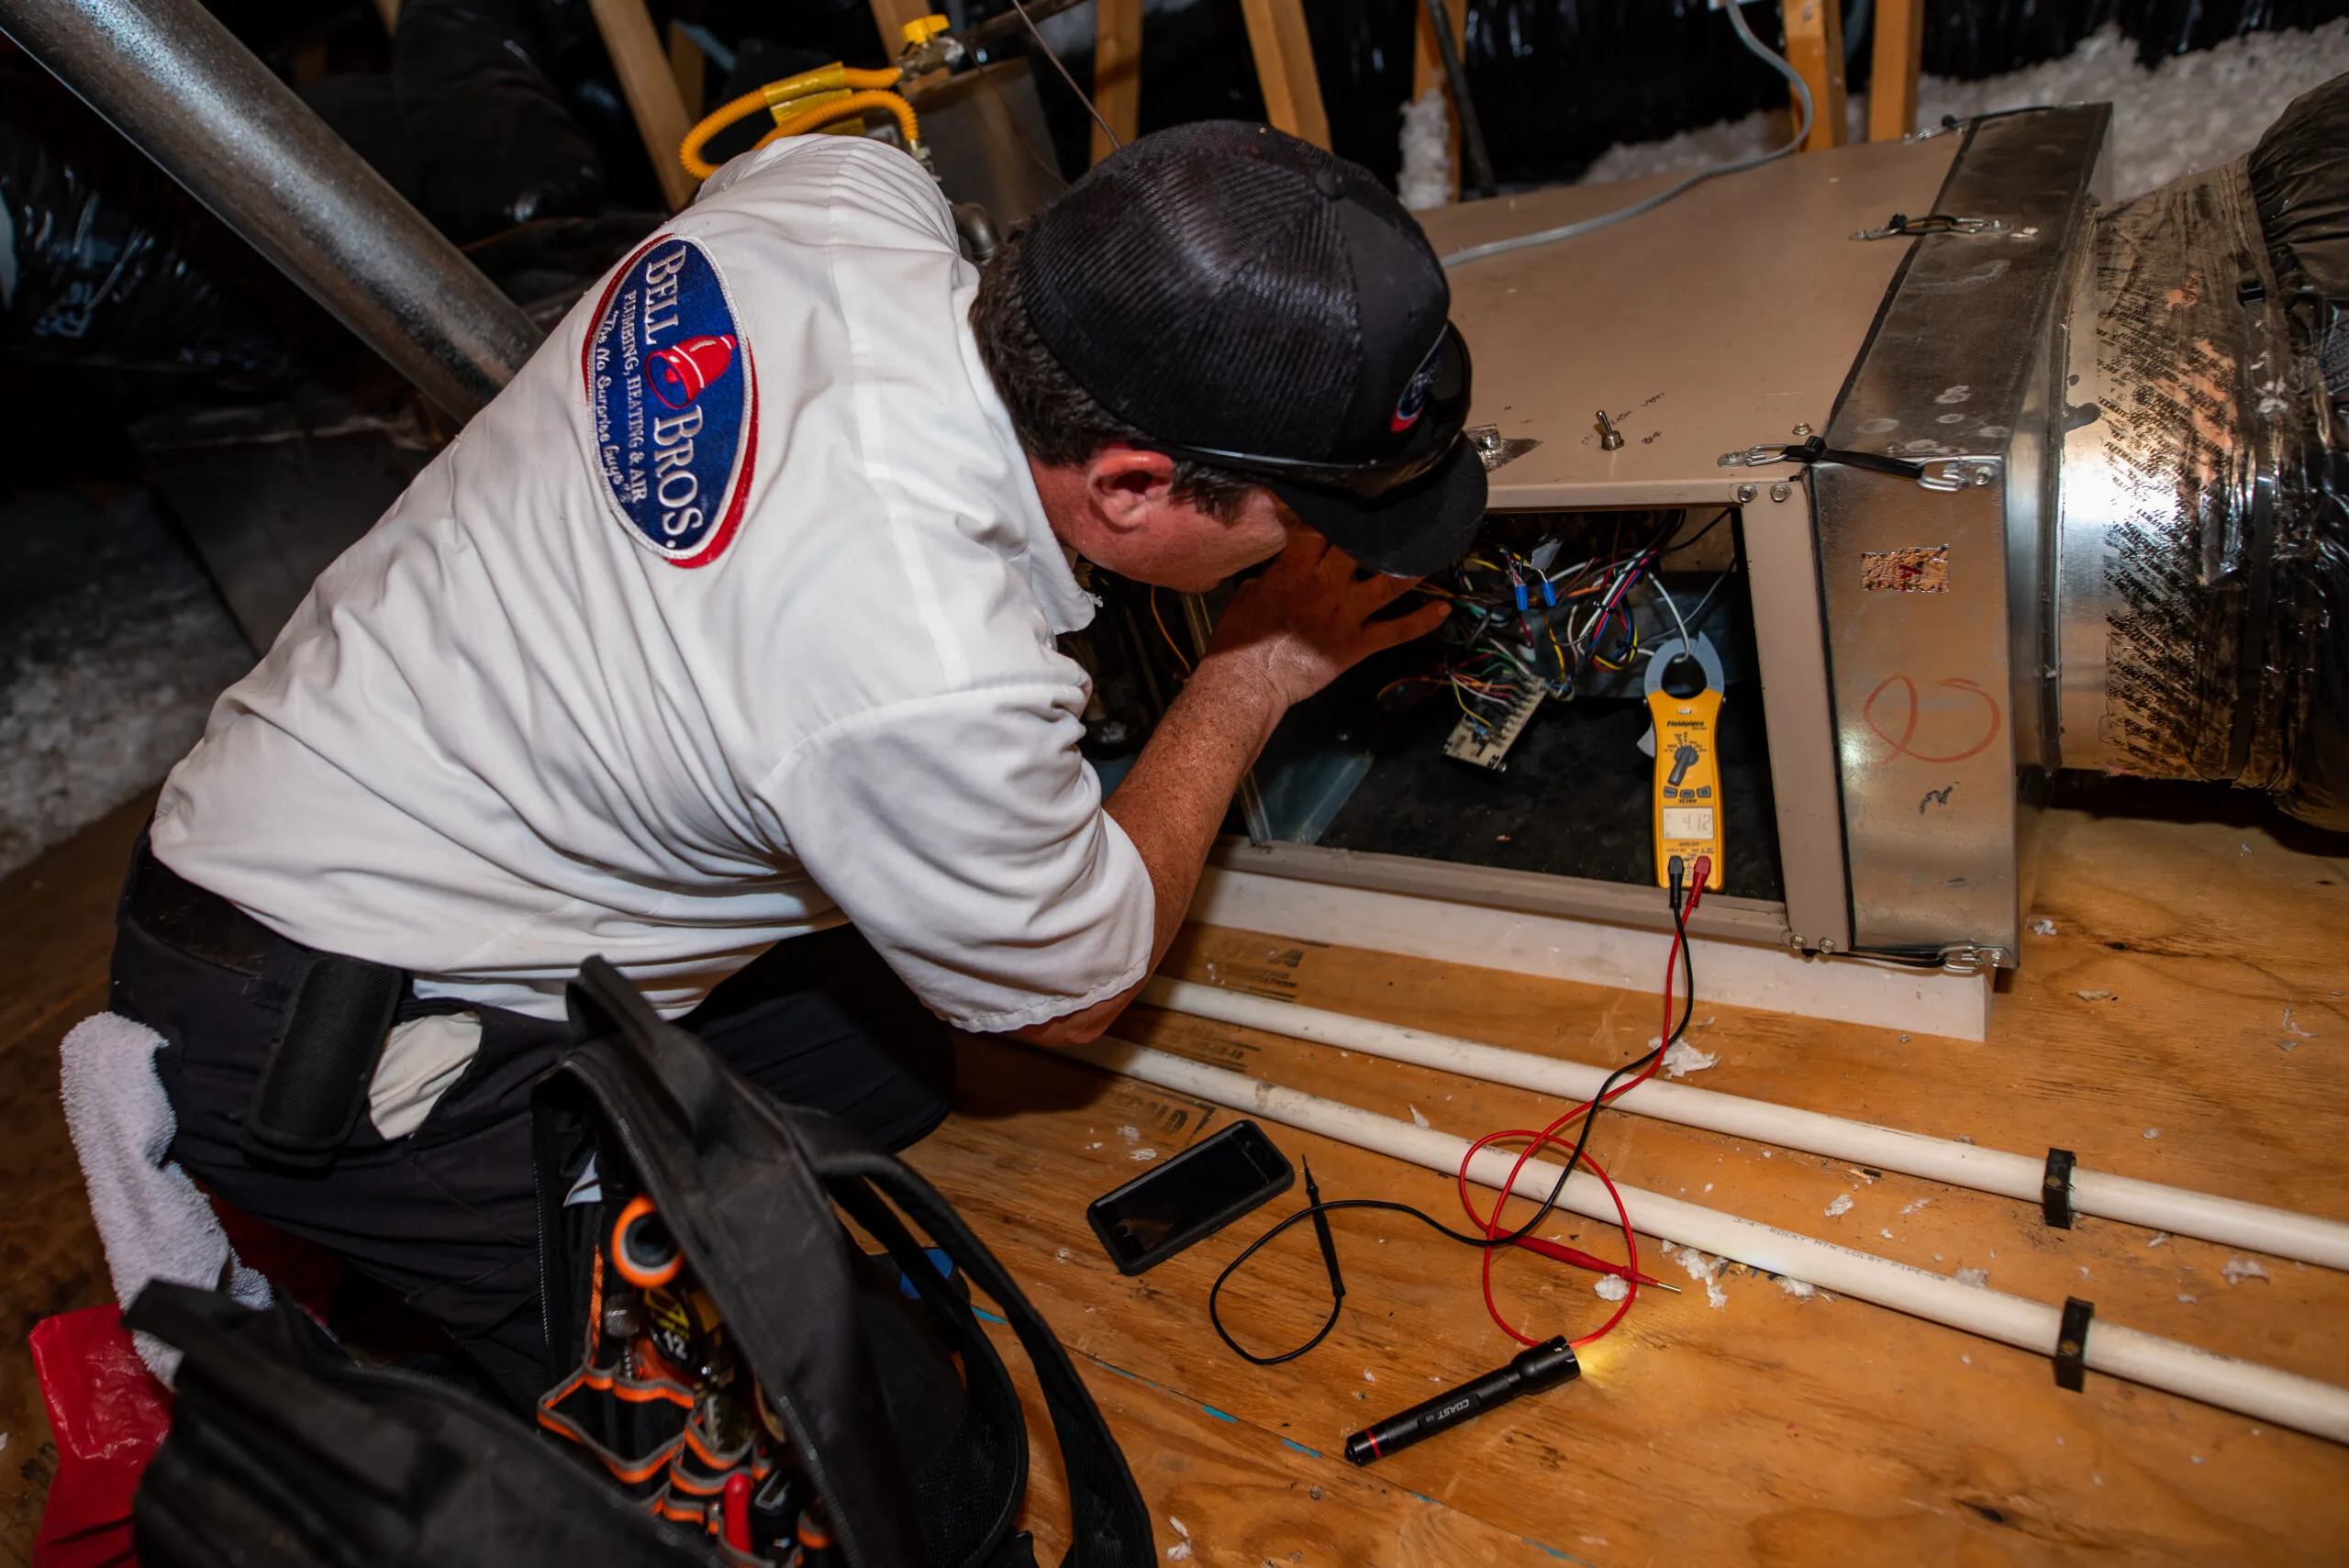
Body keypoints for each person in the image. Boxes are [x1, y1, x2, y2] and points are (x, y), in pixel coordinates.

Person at [108, 119, 1485, 1404]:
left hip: (310, 809)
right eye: (1290, 520)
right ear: (1126, 484)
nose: (1299, 555)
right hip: (342, 1031)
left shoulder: (836, 194)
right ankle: (416, 1337)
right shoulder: (924, 666)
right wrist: (1252, 670)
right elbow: (1076, 989)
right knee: (894, 1445)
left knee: (895, 1071)